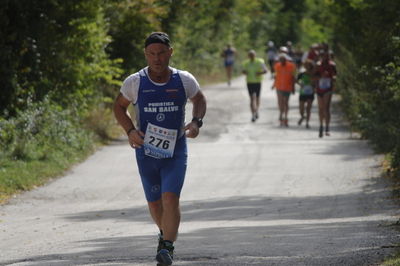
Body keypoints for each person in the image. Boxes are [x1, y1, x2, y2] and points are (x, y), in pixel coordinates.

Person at [113, 32, 207, 265]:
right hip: (146, 152)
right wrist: (130, 131)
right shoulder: (135, 82)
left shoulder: (184, 79)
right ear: (145, 54)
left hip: (176, 151)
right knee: (154, 202)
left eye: (161, 53)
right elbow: (119, 107)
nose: (157, 59)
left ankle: (167, 247)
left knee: (170, 198)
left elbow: (200, 99)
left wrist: (196, 122)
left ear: (170, 52)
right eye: (152, 54)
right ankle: (165, 234)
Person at [315, 49, 337, 137]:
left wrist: (332, 77)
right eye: (324, 55)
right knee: (320, 109)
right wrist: (321, 76)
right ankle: (321, 126)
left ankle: (327, 128)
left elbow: (335, 75)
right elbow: (313, 76)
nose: (326, 57)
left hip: (328, 89)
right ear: (321, 56)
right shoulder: (318, 65)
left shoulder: (332, 65)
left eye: (327, 56)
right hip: (319, 89)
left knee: (326, 108)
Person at [242, 50, 268, 122]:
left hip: (257, 82)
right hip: (249, 82)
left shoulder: (260, 61)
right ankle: (253, 114)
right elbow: (243, 71)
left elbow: (266, 70)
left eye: (252, 55)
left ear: (255, 55)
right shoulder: (246, 63)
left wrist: (260, 73)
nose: (251, 57)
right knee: (251, 99)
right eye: (250, 55)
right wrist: (244, 72)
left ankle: (256, 110)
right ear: (248, 56)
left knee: (257, 98)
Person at [272, 53, 296, 127]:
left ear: (286, 59)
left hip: (288, 87)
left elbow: (293, 77)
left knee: (286, 103)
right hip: (279, 86)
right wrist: (273, 85)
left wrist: (293, 87)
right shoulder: (277, 66)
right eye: (280, 59)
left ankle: (286, 117)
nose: (282, 61)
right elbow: (276, 76)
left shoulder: (291, 66)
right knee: (280, 102)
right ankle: (281, 115)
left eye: (283, 59)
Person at [296, 60, 316, 128]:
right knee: (301, 109)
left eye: (308, 65)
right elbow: (296, 80)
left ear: (311, 66)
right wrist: (300, 84)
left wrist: (314, 85)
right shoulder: (302, 74)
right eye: (306, 65)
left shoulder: (314, 74)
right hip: (303, 92)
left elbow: (317, 81)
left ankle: (307, 123)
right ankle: (302, 116)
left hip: (310, 93)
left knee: (308, 108)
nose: (307, 66)